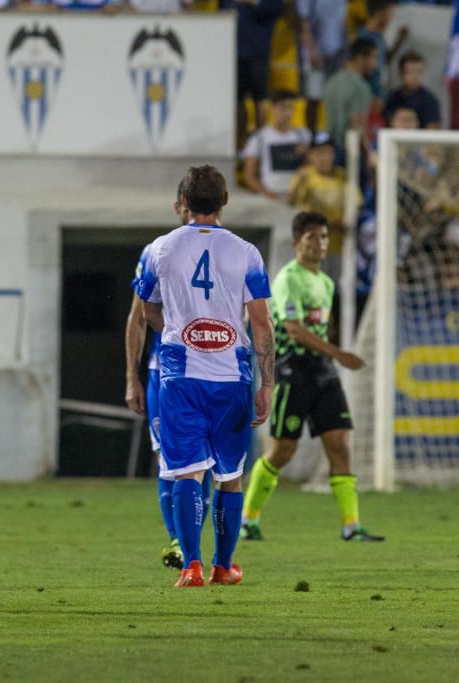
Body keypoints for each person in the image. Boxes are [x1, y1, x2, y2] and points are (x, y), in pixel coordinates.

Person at [136, 165, 273, 588]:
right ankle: (223, 566)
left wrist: (179, 331)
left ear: (184, 203)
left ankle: (191, 567)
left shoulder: (161, 248)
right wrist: (267, 382)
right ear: (225, 200)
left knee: (185, 472)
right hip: (231, 376)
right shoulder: (246, 252)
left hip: (180, 375)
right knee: (230, 476)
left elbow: (147, 311)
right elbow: (262, 324)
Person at [241, 212, 385, 542]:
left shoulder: (327, 282)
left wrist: (331, 355)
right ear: (296, 242)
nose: (320, 244)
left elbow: (321, 325)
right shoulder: (288, 279)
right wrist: (339, 353)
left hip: (323, 372)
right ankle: (248, 519)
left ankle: (351, 525)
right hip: (293, 371)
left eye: (323, 237)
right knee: (282, 451)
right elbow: (293, 329)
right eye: (311, 238)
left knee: (340, 445)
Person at [125, 180, 211, 570]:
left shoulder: (228, 249)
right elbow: (138, 317)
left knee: (208, 460)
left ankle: (191, 543)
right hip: (168, 370)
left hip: (214, 370)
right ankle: (179, 543)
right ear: (178, 205)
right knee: (169, 457)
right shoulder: (156, 251)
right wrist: (132, 376)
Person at [219, 0, 283, 148]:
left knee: (260, 99)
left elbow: (273, 10)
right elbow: (221, 14)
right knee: (237, 101)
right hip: (234, 52)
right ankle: (239, 143)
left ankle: (261, 143)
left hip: (258, 52)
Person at [288, 131, 359, 263]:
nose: (325, 157)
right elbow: (290, 204)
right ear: (310, 156)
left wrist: (348, 221)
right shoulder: (304, 176)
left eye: (328, 153)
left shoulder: (343, 176)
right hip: (310, 249)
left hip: (339, 246)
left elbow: (356, 205)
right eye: (319, 153)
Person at [240, 90, 311, 200]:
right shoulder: (259, 138)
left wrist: (307, 154)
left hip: (298, 196)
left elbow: (311, 169)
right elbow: (249, 175)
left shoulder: (303, 135)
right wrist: (267, 193)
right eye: (282, 108)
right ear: (272, 108)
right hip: (271, 195)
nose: (287, 113)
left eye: (291, 108)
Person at [321, 37, 378, 160]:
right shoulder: (360, 86)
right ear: (360, 58)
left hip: (329, 149)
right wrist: (368, 152)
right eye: (373, 58)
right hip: (348, 151)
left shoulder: (331, 82)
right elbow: (357, 121)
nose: (375, 64)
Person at [297, 0, 348, 133]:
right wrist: (311, 49)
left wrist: (345, 52)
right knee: (314, 97)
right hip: (317, 51)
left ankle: (333, 136)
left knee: (336, 96)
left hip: (337, 50)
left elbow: (341, 21)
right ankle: (311, 137)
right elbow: (303, 21)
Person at [354, 0, 408, 102]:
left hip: (380, 94)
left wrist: (400, 40)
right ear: (380, 13)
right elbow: (359, 71)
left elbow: (385, 60)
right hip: (368, 98)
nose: (392, 17)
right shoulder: (363, 37)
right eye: (390, 13)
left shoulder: (379, 36)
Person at [384, 52, 443, 130]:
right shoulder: (392, 97)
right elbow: (385, 123)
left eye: (418, 72)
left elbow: (433, 129)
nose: (414, 76)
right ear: (401, 73)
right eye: (410, 72)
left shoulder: (429, 99)